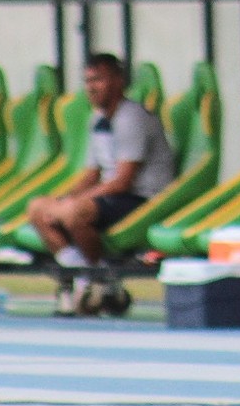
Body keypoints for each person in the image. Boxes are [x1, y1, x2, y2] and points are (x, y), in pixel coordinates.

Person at [27, 54, 174, 315]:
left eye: (98, 80)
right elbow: (91, 174)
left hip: (141, 198)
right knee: (38, 208)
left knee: (75, 213)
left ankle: (96, 277)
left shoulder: (132, 117)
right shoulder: (97, 119)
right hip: (112, 195)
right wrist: (62, 199)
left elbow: (123, 181)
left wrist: (72, 204)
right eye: (87, 81)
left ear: (118, 82)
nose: (91, 87)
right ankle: (84, 275)